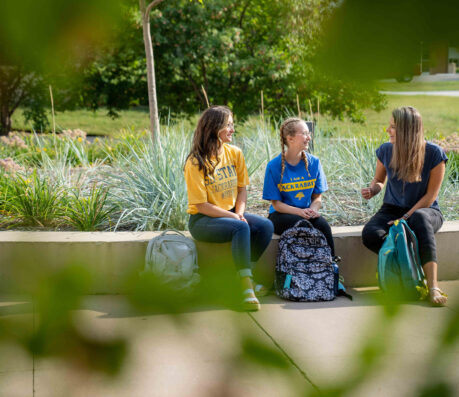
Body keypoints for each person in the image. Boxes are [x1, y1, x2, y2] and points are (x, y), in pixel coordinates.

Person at [184, 105, 274, 311]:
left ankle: (241, 276)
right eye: (229, 125)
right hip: (203, 220)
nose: (233, 129)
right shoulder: (195, 162)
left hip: (231, 213)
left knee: (266, 226)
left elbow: (242, 189)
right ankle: (245, 287)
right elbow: (201, 205)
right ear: (214, 128)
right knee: (241, 227)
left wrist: (239, 213)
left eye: (233, 125)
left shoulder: (234, 153)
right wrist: (234, 217)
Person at [361, 106, 448, 306]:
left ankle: (432, 286)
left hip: (426, 210)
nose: (387, 130)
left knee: (419, 219)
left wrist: (405, 218)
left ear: (407, 130)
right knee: (371, 234)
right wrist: (372, 190)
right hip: (391, 209)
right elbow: (379, 181)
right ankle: (411, 270)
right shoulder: (385, 150)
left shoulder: (434, 154)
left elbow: (430, 196)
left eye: (392, 127)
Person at [262, 117, 336, 258]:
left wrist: (313, 210)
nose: (309, 137)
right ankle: (302, 272)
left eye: (309, 133)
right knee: (304, 226)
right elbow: (276, 205)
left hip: (306, 213)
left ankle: (331, 267)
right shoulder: (274, 166)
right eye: (305, 133)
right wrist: (300, 212)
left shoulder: (314, 162)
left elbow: (317, 197)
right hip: (280, 216)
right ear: (290, 138)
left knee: (323, 226)